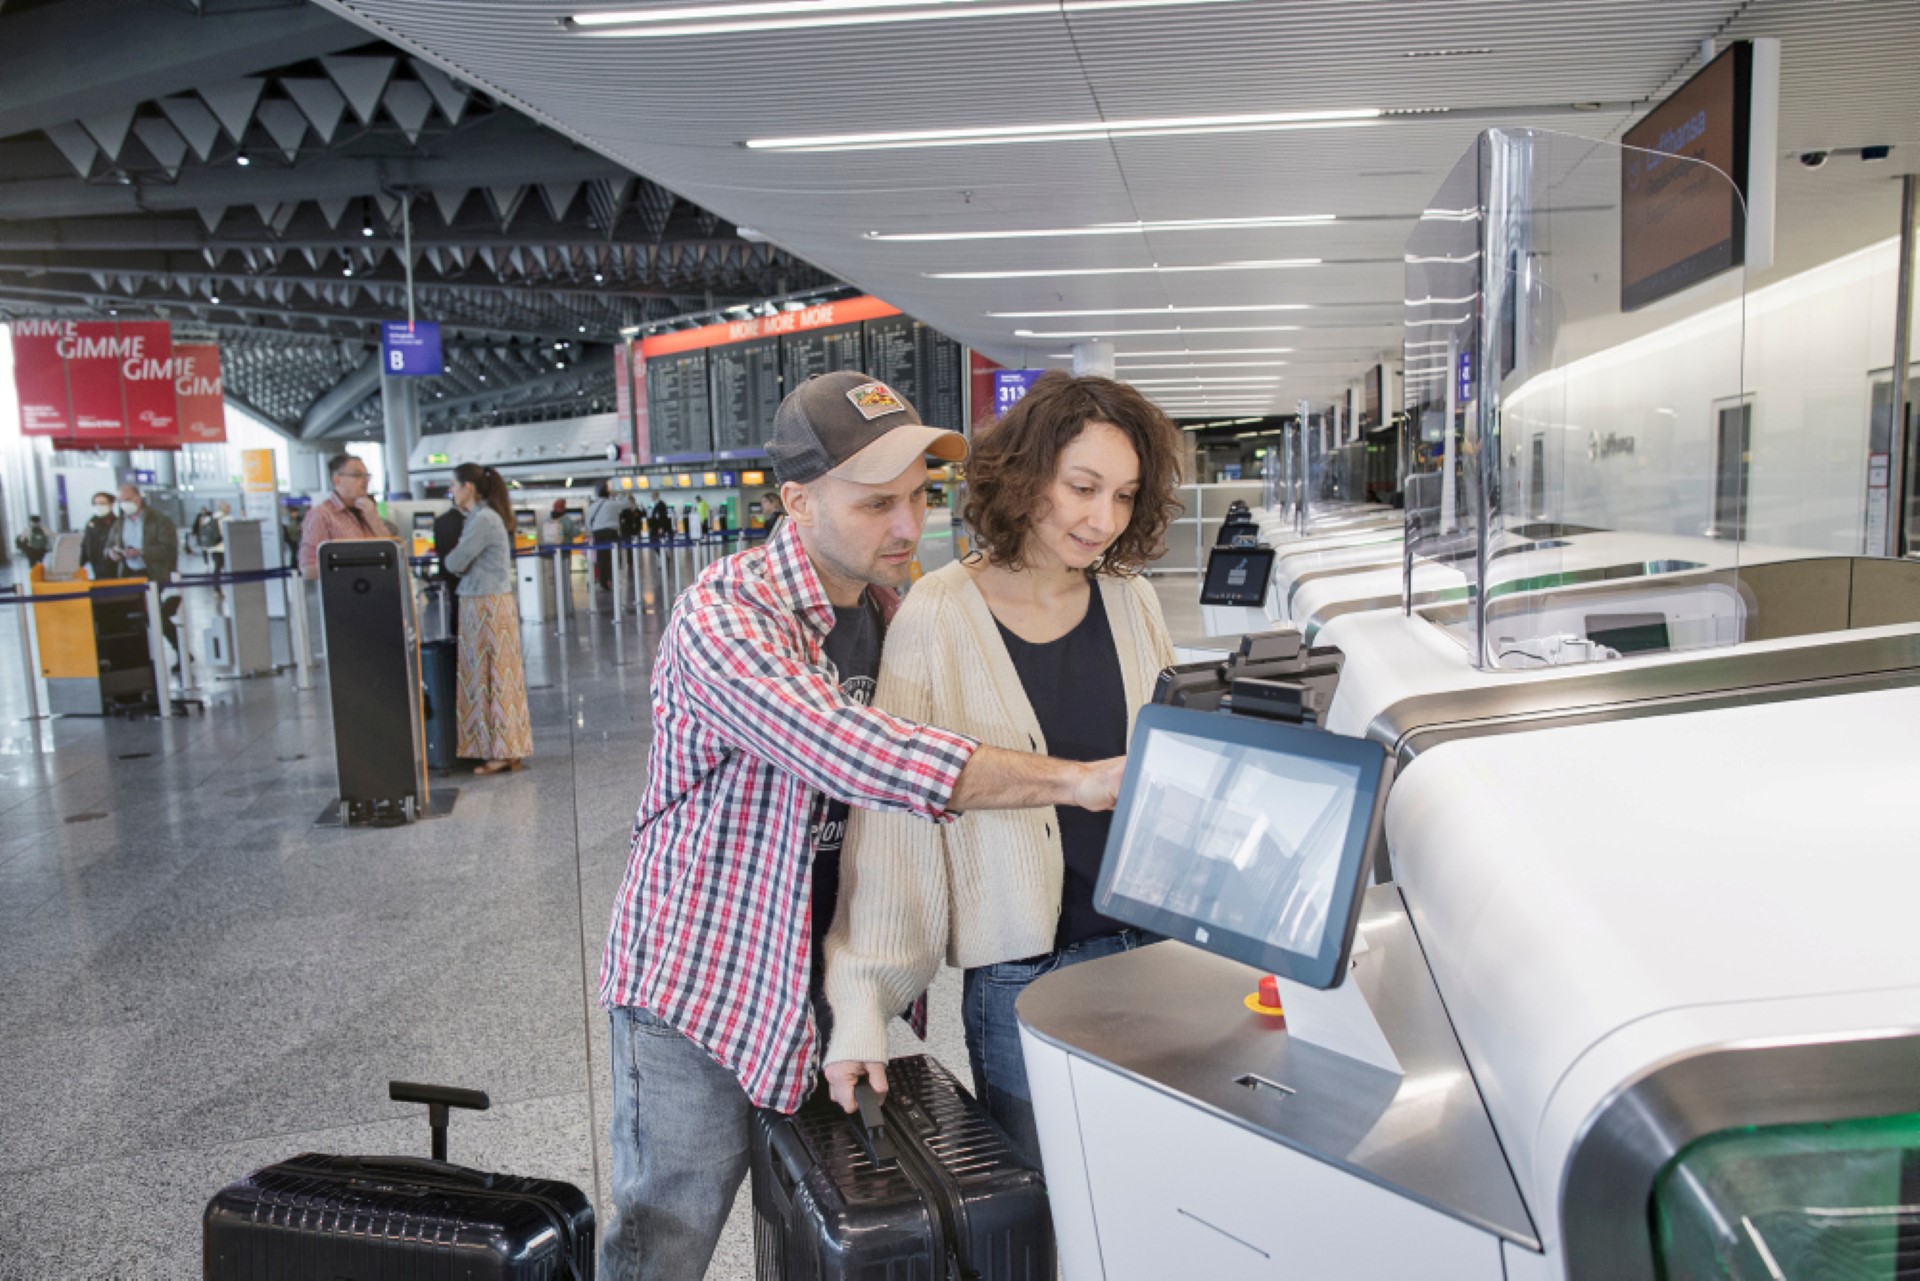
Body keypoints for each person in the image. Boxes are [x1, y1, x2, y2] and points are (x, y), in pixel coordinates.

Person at [596, 371, 1129, 1281]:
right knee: (665, 1234)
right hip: (704, 983)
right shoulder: (724, 617)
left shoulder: (891, 615)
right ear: (796, 499)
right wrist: (1076, 781)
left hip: (825, 984)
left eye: (918, 496)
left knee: (810, 1224)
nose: (905, 526)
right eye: (876, 501)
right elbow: (854, 750)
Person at [823, 372, 1185, 1166]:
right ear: (1027, 479)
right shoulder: (938, 614)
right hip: (1028, 981)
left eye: (1125, 496)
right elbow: (895, 824)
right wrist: (862, 1006)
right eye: (1082, 487)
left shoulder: (1131, 601)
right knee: (1051, 1224)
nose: (1103, 519)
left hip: (1153, 958)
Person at [443, 464, 533, 775]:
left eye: (453, 485)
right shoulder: (487, 517)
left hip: (483, 605)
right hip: (493, 603)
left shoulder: (481, 520)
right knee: (500, 676)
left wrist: (448, 558)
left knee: (487, 677)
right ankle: (508, 748)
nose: (451, 491)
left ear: (468, 487)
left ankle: (500, 751)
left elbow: (455, 561)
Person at [106, 483, 183, 668]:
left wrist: (141, 552)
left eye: (126, 500)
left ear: (137, 498)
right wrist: (113, 553)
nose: (123, 504)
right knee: (136, 618)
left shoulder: (159, 520)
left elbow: (169, 549)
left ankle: (180, 651)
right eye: (120, 501)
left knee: (154, 616)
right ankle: (139, 659)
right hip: (128, 574)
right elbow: (109, 545)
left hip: (151, 574)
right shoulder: (119, 523)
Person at [299, 454, 397, 579]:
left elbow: (392, 552)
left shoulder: (367, 511)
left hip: (378, 588)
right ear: (337, 479)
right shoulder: (321, 515)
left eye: (367, 476)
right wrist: (354, 568)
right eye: (357, 475)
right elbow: (308, 569)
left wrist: (373, 518)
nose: (365, 480)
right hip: (345, 592)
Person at [432, 499, 467, 637]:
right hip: (462, 569)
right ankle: (462, 631)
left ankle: (454, 632)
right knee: (463, 602)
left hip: (446, 569)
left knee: (454, 602)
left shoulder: (440, 520)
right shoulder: (466, 521)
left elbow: (438, 547)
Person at [587, 481, 622, 591]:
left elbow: (588, 521)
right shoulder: (613, 504)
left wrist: (591, 532)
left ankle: (603, 581)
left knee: (602, 558)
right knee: (614, 556)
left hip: (598, 533)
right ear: (608, 494)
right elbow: (626, 504)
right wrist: (618, 495)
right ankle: (613, 579)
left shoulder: (593, 505)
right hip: (611, 532)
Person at [79, 494, 117, 580]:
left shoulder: (117, 523)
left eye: (102, 503)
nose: (99, 506)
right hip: (95, 567)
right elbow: (85, 544)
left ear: (111, 505)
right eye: (96, 503)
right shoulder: (91, 523)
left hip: (112, 568)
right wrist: (80, 564)